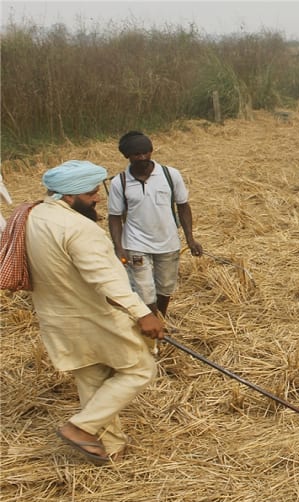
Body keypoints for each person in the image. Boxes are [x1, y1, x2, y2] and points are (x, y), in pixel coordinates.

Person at [25, 160, 165, 465]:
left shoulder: (33, 215)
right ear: (70, 196)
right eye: (90, 193)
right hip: (93, 317)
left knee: (92, 378)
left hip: (56, 318)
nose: (97, 198)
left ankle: (111, 446)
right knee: (140, 369)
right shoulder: (78, 228)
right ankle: (80, 427)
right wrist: (143, 313)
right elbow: (105, 277)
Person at [107, 131, 202, 316]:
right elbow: (114, 217)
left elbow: (183, 206)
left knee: (165, 287)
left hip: (168, 242)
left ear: (151, 151)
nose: (142, 158)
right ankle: (155, 326)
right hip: (136, 244)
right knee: (144, 290)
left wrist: (191, 239)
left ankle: (160, 319)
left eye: (146, 152)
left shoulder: (170, 175)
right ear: (127, 156)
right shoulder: (120, 182)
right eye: (136, 154)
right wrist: (118, 247)